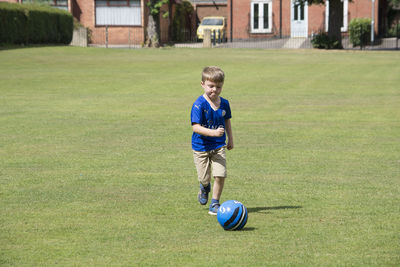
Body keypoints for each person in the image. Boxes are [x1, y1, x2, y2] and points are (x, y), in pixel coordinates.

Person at [190, 66, 234, 215]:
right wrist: (214, 133)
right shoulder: (198, 104)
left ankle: (215, 202)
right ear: (202, 84)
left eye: (218, 87)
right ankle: (204, 187)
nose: (214, 90)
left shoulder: (225, 103)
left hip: (219, 146)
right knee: (204, 178)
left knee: (220, 174)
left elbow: (227, 121)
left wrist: (230, 139)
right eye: (211, 86)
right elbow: (196, 127)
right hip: (201, 147)